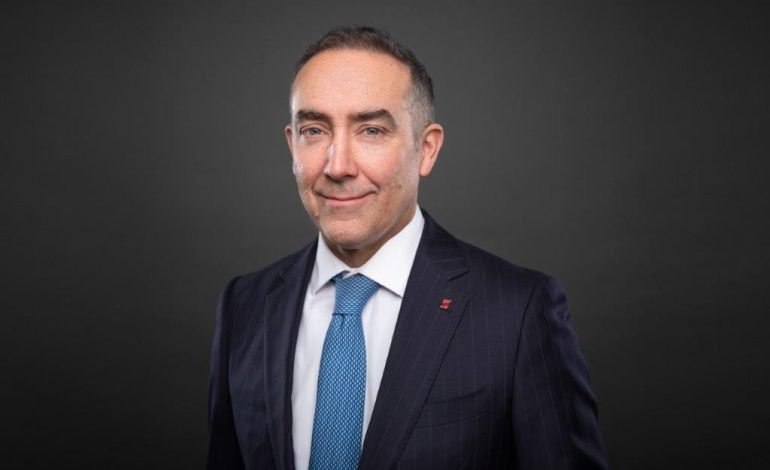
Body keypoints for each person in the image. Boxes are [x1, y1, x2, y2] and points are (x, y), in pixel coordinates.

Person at [207, 25, 607, 470]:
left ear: (426, 149)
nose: (338, 166)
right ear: (292, 145)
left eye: (371, 130)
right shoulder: (244, 306)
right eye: (315, 130)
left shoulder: (519, 311)